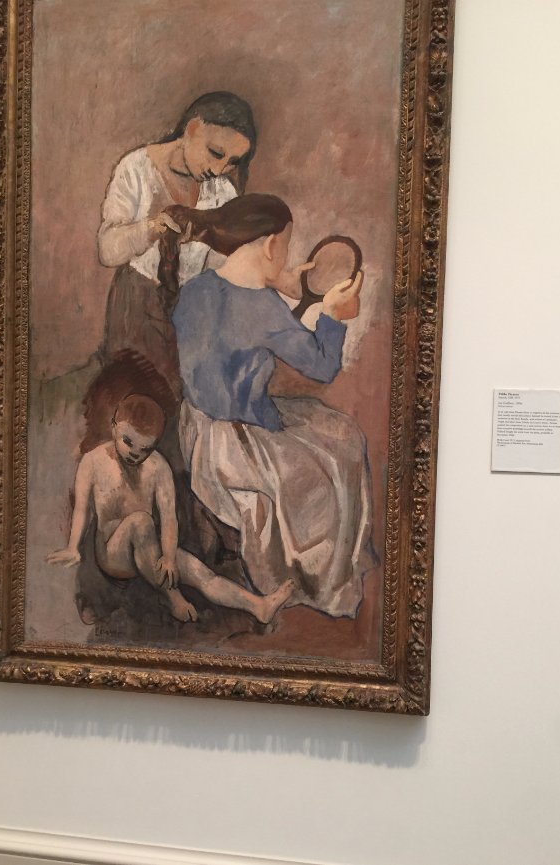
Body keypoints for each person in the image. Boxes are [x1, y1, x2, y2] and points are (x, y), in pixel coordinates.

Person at [173, 194, 375, 618]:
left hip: (196, 430)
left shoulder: (195, 289)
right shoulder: (264, 309)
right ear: (270, 245)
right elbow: (322, 366)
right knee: (343, 446)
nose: (285, 257)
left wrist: (276, 286)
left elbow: (232, 333)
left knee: (327, 431)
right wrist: (335, 316)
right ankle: (324, 573)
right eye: (285, 245)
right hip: (241, 445)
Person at [46, 394, 294, 625]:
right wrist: (72, 547)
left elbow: (168, 519)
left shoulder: (158, 467)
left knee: (201, 574)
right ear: (114, 427)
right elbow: (81, 510)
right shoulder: (93, 461)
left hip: (150, 546)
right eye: (128, 442)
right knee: (140, 521)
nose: (134, 454)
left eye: (145, 449)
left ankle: (258, 606)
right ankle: (173, 598)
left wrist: (169, 557)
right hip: (114, 556)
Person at [97, 91, 257, 385]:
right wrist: (151, 229)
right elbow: (107, 251)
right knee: (141, 394)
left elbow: (219, 268)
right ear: (192, 128)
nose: (219, 170)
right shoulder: (136, 169)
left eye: (233, 162)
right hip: (137, 303)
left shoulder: (222, 192)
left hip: (193, 308)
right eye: (216, 153)